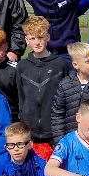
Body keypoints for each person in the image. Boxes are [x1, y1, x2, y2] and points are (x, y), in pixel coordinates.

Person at [16, 15, 70, 147]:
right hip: (30, 132)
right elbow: (21, 98)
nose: (37, 42)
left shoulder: (60, 64)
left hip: (55, 130)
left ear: (48, 38)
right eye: (32, 38)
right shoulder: (22, 66)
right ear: (27, 40)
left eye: (40, 37)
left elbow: (67, 97)